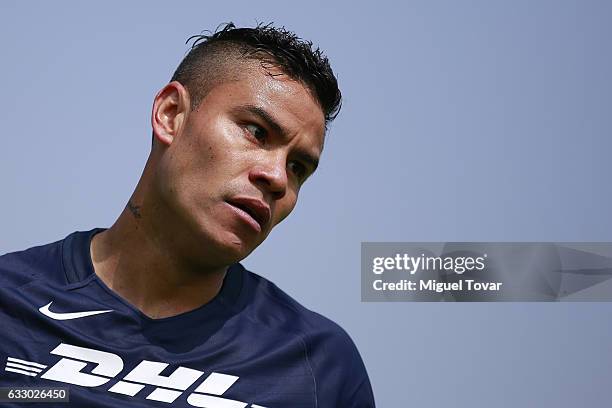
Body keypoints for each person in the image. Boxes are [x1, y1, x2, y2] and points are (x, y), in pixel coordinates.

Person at [0, 23, 375, 407]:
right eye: (256, 132)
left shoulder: (321, 368)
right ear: (170, 114)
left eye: (298, 167)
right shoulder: (9, 304)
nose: (278, 178)